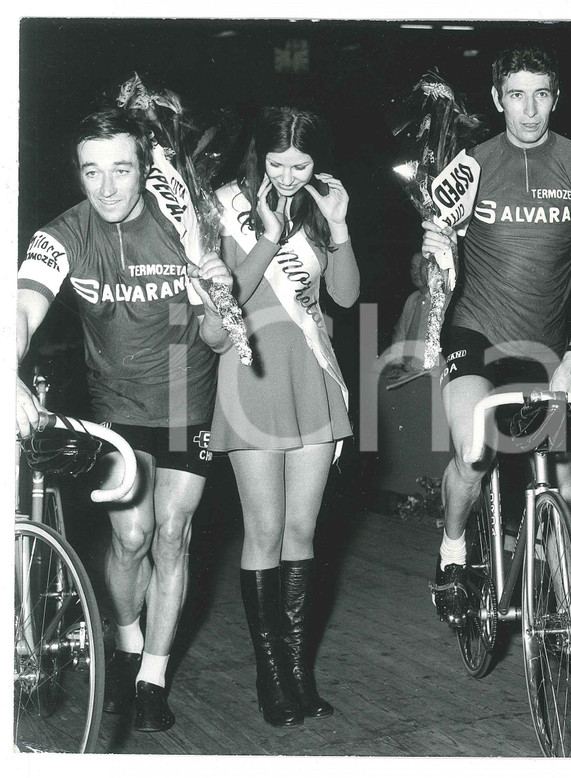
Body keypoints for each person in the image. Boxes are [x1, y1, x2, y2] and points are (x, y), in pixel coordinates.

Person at [16, 108, 233, 732]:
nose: (107, 187)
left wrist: (215, 292)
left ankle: (153, 675)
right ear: (78, 175)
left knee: (172, 536)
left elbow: (220, 339)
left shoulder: (184, 227)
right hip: (116, 410)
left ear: (145, 169)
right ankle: (127, 640)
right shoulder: (61, 235)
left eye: (121, 170)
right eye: (92, 171)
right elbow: (23, 310)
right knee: (130, 538)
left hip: (188, 404)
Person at [421, 45, 571, 686]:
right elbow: (438, 245)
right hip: (475, 336)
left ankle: (561, 616)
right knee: (474, 451)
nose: (529, 109)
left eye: (542, 94)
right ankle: (451, 545)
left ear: (557, 97)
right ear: (498, 98)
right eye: (516, 94)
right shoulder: (470, 166)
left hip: (545, 348)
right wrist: (436, 252)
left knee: (567, 487)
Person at [208, 107, 359, 726]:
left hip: (313, 380)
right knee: (264, 532)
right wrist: (267, 235)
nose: (291, 176)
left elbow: (345, 297)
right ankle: (272, 678)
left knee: (303, 533)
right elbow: (219, 320)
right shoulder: (223, 211)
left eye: (303, 165)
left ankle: (299, 672)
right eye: (278, 164)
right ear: (257, 157)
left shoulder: (318, 210)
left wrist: (340, 226)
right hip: (253, 379)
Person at [384, 251, 438, 379]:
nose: (416, 272)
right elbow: (400, 335)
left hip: (431, 375)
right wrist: (396, 365)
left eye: (421, 266)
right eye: (412, 267)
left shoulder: (444, 300)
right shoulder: (412, 299)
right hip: (408, 375)